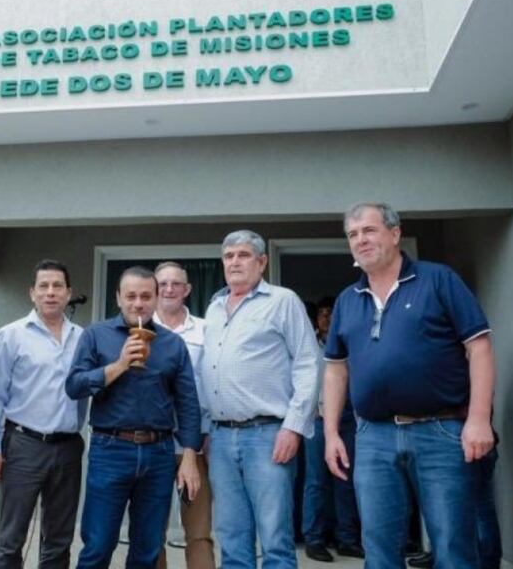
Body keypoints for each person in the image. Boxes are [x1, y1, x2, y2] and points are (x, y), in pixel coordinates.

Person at [323, 202, 496, 569]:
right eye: (352, 235)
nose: (360, 240)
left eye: (369, 230)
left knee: (453, 546)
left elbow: (478, 348)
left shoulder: (439, 279)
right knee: (380, 548)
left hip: (442, 432)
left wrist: (479, 419)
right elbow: (336, 370)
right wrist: (331, 433)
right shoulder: (346, 300)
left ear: (395, 233)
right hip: (372, 437)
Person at [66, 266, 201, 569]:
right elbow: (74, 386)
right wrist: (120, 364)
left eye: (145, 296)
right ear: (118, 298)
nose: (138, 303)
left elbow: (188, 403)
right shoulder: (95, 335)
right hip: (110, 449)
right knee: (98, 544)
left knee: (147, 549)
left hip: (159, 453)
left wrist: (190, 455)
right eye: (131, 296)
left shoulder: (172, 344)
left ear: (155, 299)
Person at [201, 230, 321, 569]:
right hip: (221, 438)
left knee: (275, 540)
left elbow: (309, 364)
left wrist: (294, 427)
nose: (235, 262)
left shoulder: (282, 301)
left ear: (262, 261)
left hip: (268, 435)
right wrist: (208, 430)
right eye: (228, 256)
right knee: (232, 537)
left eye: (243, 255)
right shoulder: (213, 308)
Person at [0, 259, 86, 569]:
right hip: (23, 446)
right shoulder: (11, 336)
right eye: (43, 286)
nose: (51, 292)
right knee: (11, 538)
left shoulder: (84, 339)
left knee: (59, 540)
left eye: (58, 286)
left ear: (69, 293)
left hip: (68, 447)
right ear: (32, 293)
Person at [152, 261, 214, 569]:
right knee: (151, 532)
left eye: (176, 283)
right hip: (153, 445)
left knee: (199, 533)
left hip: (196, 444)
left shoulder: (206, 330)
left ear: (187, 290)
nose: (169, 289)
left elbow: (215, 382)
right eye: (162, 283)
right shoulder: (139, 330)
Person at [302, 297, 363, 563]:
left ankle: (347, 539)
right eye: (322, 314)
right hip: (317, 418)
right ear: (316, 319)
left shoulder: (349, 342)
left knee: (346, 479)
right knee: (316, 482)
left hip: (347, 418)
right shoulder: (307, 345)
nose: (327, 318)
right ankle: (314, 539)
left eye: (331, 313)